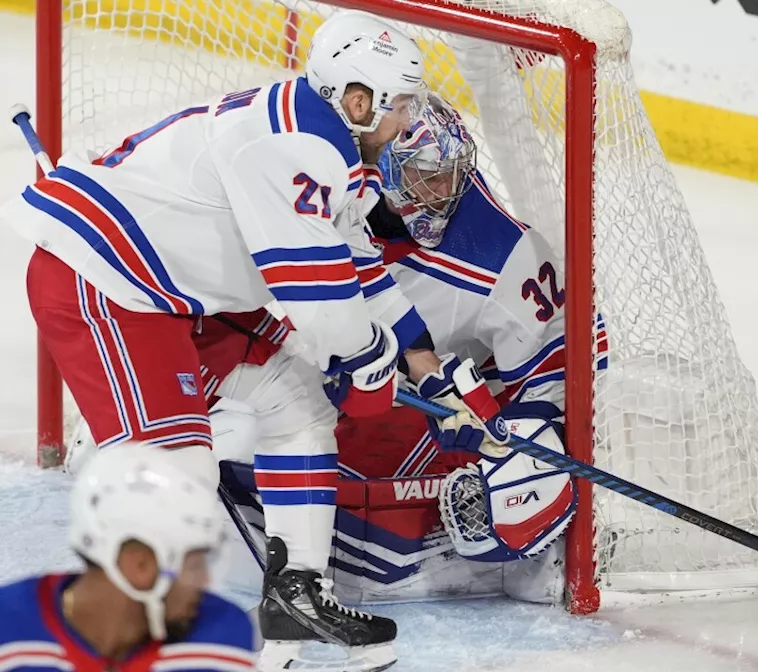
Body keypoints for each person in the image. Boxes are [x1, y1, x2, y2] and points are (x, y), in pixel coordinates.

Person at [3, 9, 436, 670]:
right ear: (357, 99)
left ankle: (296, 595)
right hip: (106, 282)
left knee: (299, 406)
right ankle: (123, 640)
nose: (405, 121)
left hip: (177, 291)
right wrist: (370, 364)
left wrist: (412, 343)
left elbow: (349, 252)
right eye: (399, 105)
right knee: (181, 471)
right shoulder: (294, 149)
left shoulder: (329, 140)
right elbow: (316, 301)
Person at [209, 93, 594, 606]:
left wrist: (520, 447)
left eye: (452, 171)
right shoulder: (325, 185)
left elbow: (556, 372)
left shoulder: (506, 254)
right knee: (217, 435)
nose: (444, 190)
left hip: (412, 423)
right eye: (425, 176)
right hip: (311, 374)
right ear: (382, 168)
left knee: (241, 449)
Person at [0, 443, 257, 671]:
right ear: (139, 564)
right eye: (194, 564)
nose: (203, 581)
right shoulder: (9, 632)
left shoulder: (221, 634)